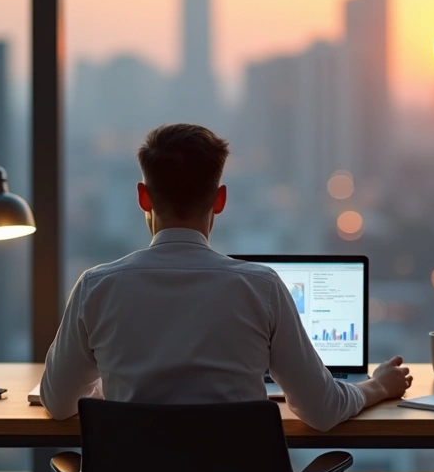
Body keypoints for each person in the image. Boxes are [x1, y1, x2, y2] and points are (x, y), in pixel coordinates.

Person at [40, 123, 412, 430]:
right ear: (220, 199)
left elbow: (57, 403)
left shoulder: (97, 287)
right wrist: (377, 386)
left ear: (143, 197)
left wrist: (116, 386)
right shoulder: (260, 288)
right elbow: (323, 410)